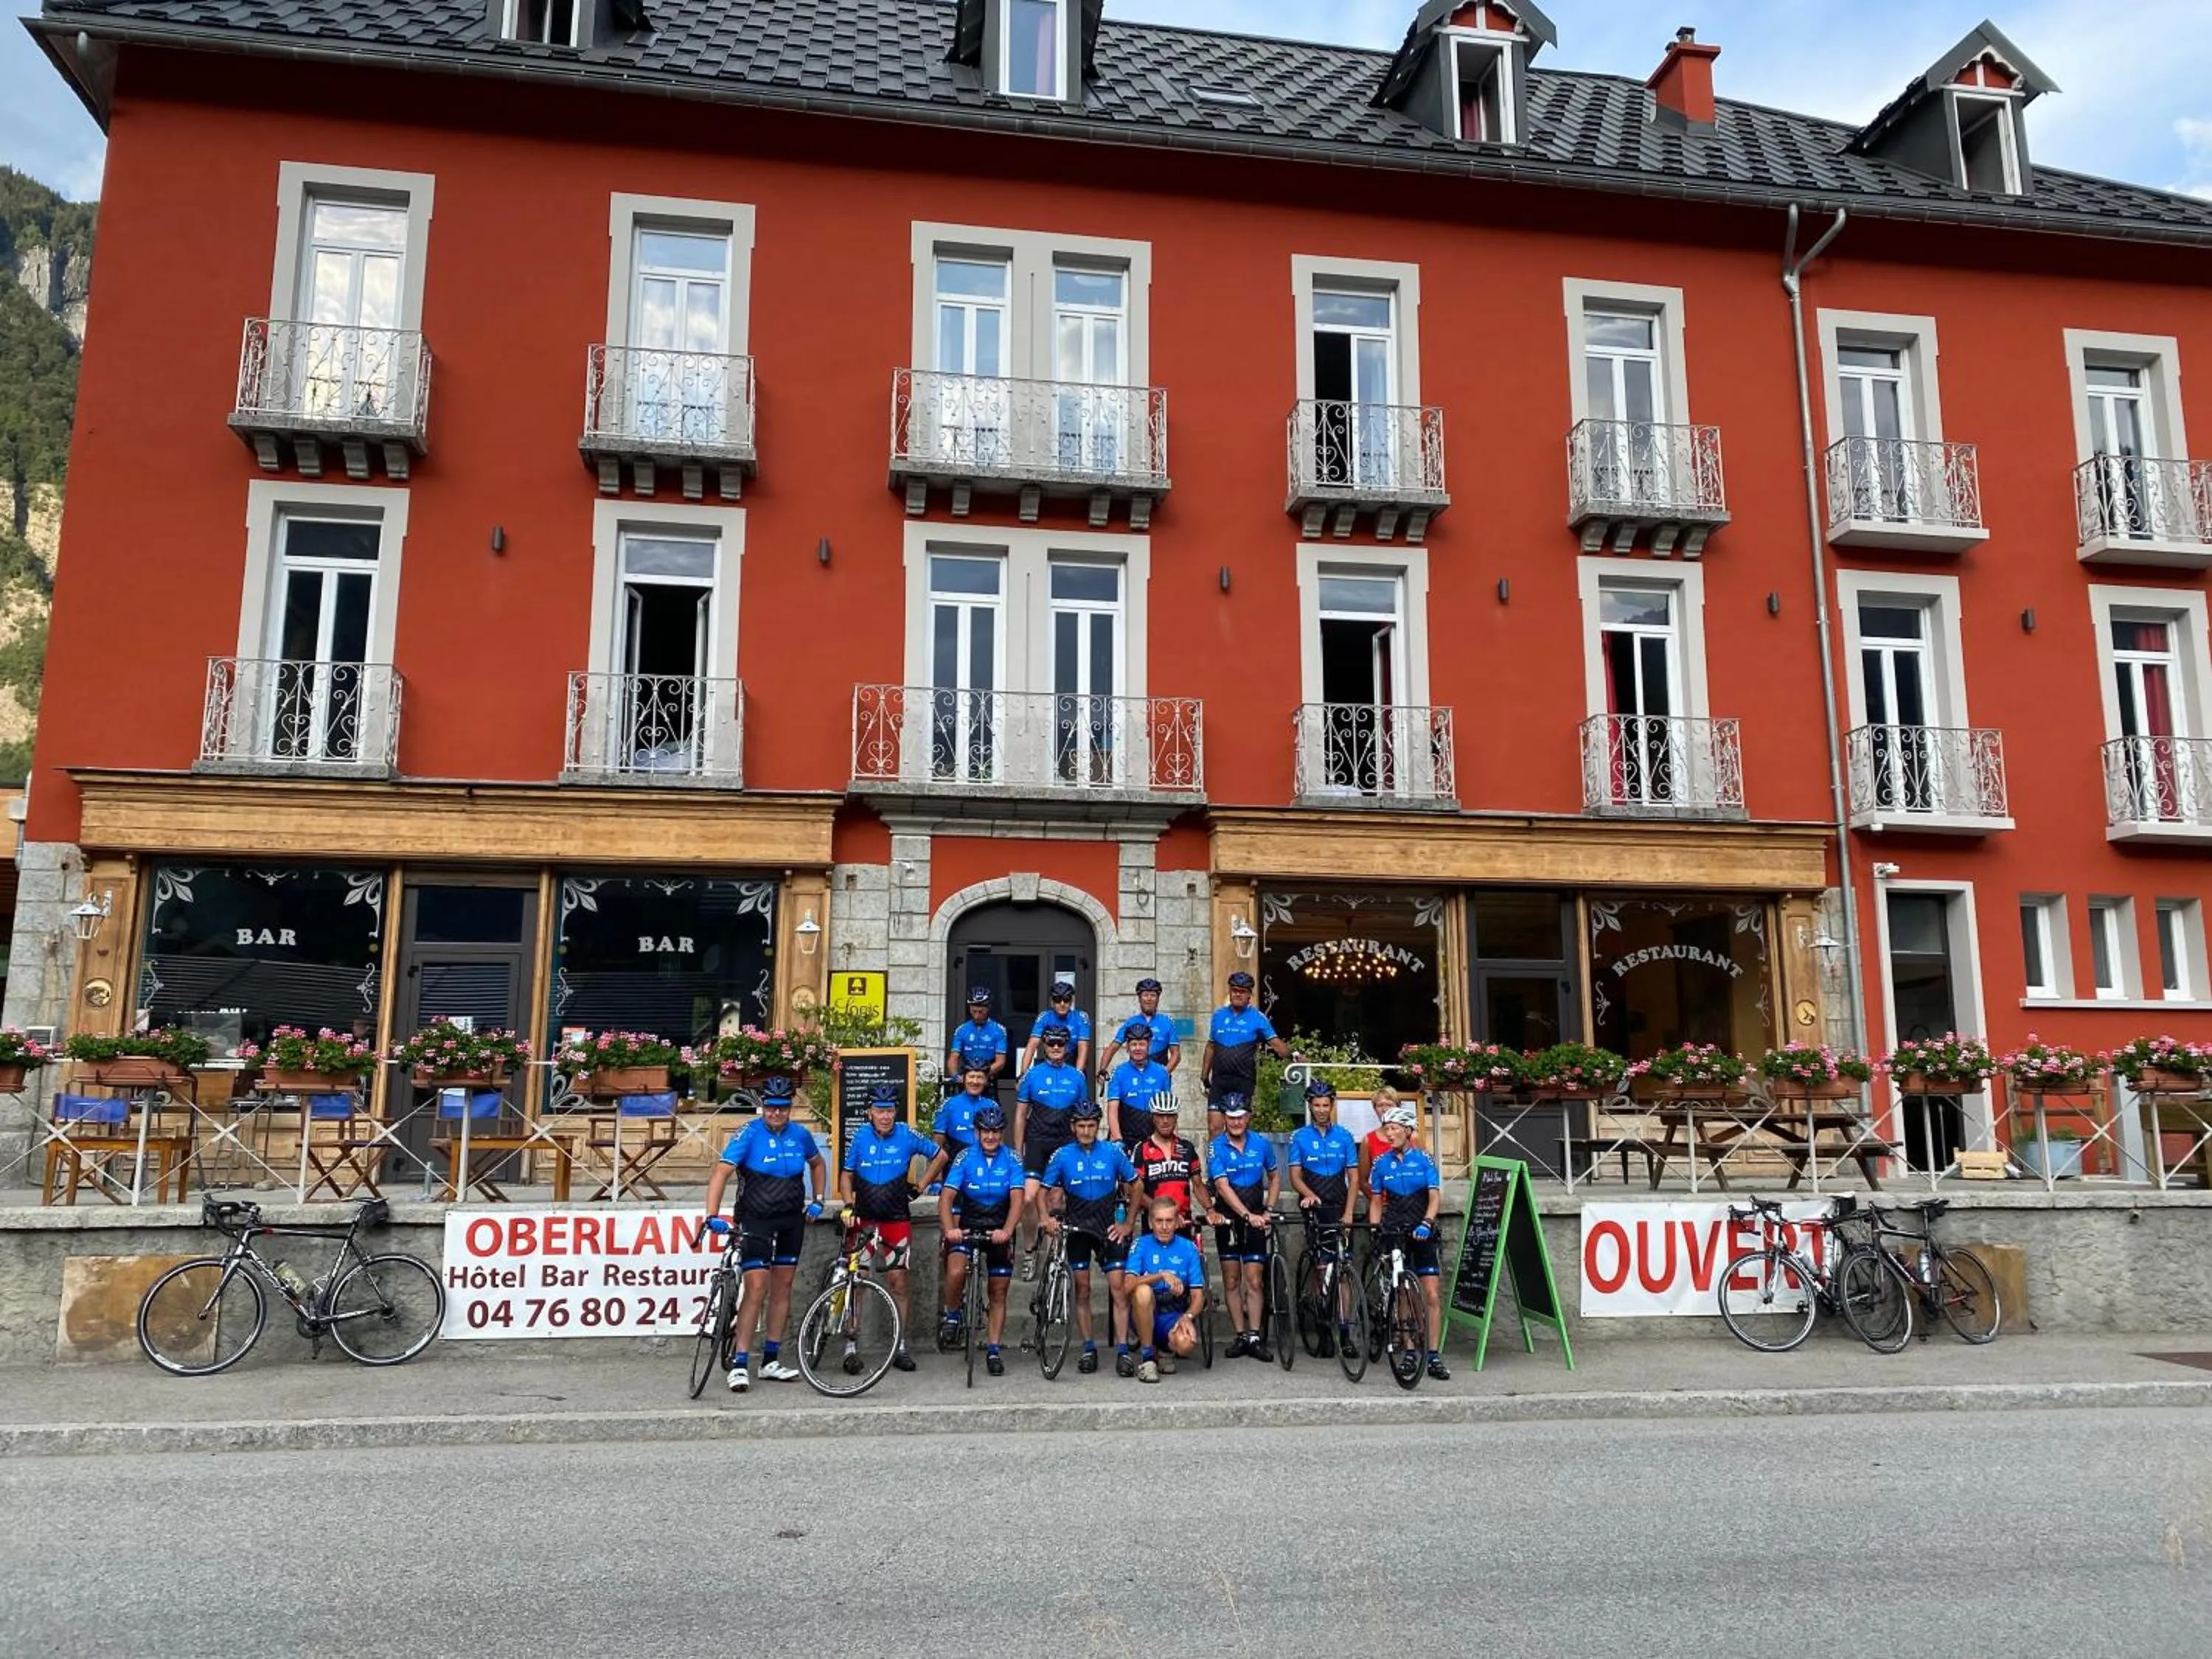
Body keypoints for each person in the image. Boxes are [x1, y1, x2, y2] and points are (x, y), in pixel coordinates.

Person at [702, 1075, 828, 1393]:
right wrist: (712, 1215)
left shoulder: (801, 1135)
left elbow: (817, 1164)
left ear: (791, 1108)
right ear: (762, 1107)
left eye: (783, 1108)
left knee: (783, 1287)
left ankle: (770, 1359)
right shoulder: (749, 1132)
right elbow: (721, 1172)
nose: (777, 1114)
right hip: (755, 1219)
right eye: (771, 1108)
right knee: (756, 1289)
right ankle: (741, 1361)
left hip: (791, 1219)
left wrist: (818, 1200)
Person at [1035, 1101, 1140, 1374]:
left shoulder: (1113, 1153)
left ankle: (1123, 1351)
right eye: (1081, 1126)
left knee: (1119, 1289)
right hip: (1078, 1230)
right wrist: (1046, 1218)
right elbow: (1041, 1191)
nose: (1086, 1131)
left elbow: (1137, 1185)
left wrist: (1129, 1223)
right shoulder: (1061, 1155)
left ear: (1098, 1126)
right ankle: (1089, 1348)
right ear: (1073, 1127)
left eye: (1091, 1126)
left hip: (1109, 1228)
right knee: (1082, 1290)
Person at [838, 1079, 934, 1374]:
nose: (885, 1116)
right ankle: (851, 1347)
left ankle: (900, 1346)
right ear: (870, 1112)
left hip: (896, 1220)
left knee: (899, 1283)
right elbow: (846, 1175)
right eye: (880, 1110)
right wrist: (848, 1204)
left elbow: (940, 1154)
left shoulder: (907, 1135)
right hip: (864, 1221)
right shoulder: (860, 1138)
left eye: (890, 1110)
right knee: (858, 1281)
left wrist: (921, 1186)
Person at [938, 1103, 1027, 1375]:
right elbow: (946, 1198)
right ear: (976, 1132)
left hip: (999, 1227)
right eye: (986, 1132)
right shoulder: (964, 1157)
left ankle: (993, 1349)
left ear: (1002, 1133)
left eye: (996, 1132)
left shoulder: (1013, 1159)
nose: (991, 1137)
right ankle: (953, 1313)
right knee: (955, 1270)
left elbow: (1018, 1199)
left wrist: (1009, 1231)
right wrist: (949, 1229)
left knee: (998, 1292)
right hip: (968, 1224)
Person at [1367, 1100, 1450, 1382]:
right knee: (1402, 1291)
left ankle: (1434, 1355)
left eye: (1394, 1128)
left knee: (1432, 1294)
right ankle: (1410, 1350)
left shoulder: (1423, 1159)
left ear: (1408, 1130)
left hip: (1421, 1228)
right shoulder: (1381, 1164)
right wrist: (1375, 1229)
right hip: (1394, 1230)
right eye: (1386, 1128)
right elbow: (1377, 1201)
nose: (1389, 1134)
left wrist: (1427, 1222)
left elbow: (1435, 1196)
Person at [1289, 1077, 1360, 1357]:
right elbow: (1295, 1177)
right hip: (1314, 1206)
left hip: (1340, 1204)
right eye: (1316, 1105)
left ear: (1332, 1105)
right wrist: (1309, 1195)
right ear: (1310, 1106)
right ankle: (1321, 1323)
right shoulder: (1299, 1137)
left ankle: (1344, 1331)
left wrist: (1349, 1212)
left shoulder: (1344, 1135)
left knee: (1343, 1269)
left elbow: (1353, 1178)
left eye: (1325, 1105)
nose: (1321, 1109)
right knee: (1321, 1267)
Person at [1208, 1093, 1280, 1362]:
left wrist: (1269, 1209)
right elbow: (1222, 1187)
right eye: (1231, 1117)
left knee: (1254, 1280)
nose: (1236, 1122)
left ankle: (1254, 1336)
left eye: (1240, 1117)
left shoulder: (1261, 1143)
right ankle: (1239, 1335)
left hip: (1256, 1219)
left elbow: (1274, 1177)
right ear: (1224, 1119)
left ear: (1248, 1117)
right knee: (1231, 1279)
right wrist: (1247, 1214)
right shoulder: (1216, 1147)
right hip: (1229, 1218)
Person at [1014, 1023, 1088, 1276]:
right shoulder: (1032, 1075)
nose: (1056, 1048)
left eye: (1060, 1044)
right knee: (1028, 1197)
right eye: (1051, 1044)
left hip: (1064, 1145)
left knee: (1056, 1199)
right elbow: (1021, 1114)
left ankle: (1053, 1259)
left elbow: (1083, 1116)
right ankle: (1030, 1250)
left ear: (1067, 1048)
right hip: (1036, 1142)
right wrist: (1017, 1148)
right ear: (1044, 1047)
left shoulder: (1077, 1077)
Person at [1124, 1197, 1207, 1383]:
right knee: (1143, 1291)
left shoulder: (1189, 1248)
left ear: (1177, 1222)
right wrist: (1161, 1275)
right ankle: (1148, 1359)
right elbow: (1127, 1286)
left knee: (1186, 1344)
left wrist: (1188, 1317)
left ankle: (1165, 1350)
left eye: (1169, 1221)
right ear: (1150, 1223)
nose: (1164, 1227)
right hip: (1144, 1312)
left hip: (1173, 1314)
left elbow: (1198, 1296)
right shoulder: (1141, 1244)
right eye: (1159, 1221)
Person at [1200, 970, 1288, 1142]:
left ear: (1250, 995)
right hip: (1220, 1080)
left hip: (1243, 1080)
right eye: (1234, 990)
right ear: (1230, 992)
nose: (1238, 994)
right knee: (1214, 1129)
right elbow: (1211, 1046)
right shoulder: (1219, 1016)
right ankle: (1215, 1168)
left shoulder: (1258, 1018)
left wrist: (1293, 1055)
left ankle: (1240, 1166)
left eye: (1243, 991)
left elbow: (1277, 1045)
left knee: (1239, 1130)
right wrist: (1204, 1076)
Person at [1132, 1097, 1214, 1241]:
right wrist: (1166, 1213)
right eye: (1160, 1115)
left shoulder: (1187, 1148)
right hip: (1154, 1226)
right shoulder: (1141, 1150)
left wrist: (1210, 1210)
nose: (1165, 1120)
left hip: (1184, 1225)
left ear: (1176, 1117)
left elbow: (1198, 1185)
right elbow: (1132, 1190)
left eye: (1170, 1115)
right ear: (1153, 1117)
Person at [1102, 1021, 1175, 1151]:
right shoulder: (1118, 1073)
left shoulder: (1162, 1072)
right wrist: (1118, 1139)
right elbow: (1112, 1110)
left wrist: (1173, 1140)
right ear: (1127, 1047)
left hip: (1154, 1139)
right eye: (1134, 1044)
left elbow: (1169, 1110)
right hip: (1127, 1138)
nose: (1138, 1048)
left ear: (1149, 1045)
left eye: (1142, 1044)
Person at [923, 1060, 993, 1187]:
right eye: (971, 1077)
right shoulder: (948, 1105)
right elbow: (937, 1145)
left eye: (980, 1077)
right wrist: (937, 1180)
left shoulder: (992, 1106)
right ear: (963, 1079)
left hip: (984, 1171)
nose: (975, 1082)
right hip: (954, 1171)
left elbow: (999, 1144)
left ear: (986, 1081)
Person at [1096, 976, 1180, 1078]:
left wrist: (1163, 1074)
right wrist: (1102, 1070)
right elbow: (1113, 1047)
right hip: (1135, 1077)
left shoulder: (1167, 1022)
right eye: (1145, 995)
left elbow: (1176, 1054)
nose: (1149, 999)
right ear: (1139, 999)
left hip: (1160, 1077)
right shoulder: (1131, 1022)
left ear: (1158, 999)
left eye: (1153, 995)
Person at [1019, 978, 1092, 1077]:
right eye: (1058, 1000)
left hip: (1073, 1063)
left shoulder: (1081, 1018)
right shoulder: (1045, 1017)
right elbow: (1032, 1045)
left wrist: (1077, 1076)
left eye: (1066, 1000)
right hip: (1051, 1063)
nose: (1062, 1004)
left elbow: (1083, 1048)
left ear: (1071, 1002)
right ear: (1052, 1003)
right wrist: (1023, 1075)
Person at [945, 987, 1010, 1085]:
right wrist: (956, 1077)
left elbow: (1000, 1062)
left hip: (989, 1078)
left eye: (981, 1012)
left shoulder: (999, 1031)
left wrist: (981, 1075)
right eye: (974, 1011)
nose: (977, 1016)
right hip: (966, 1077)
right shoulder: (961, 1030)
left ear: (988, 1009)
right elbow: (953, 1058)